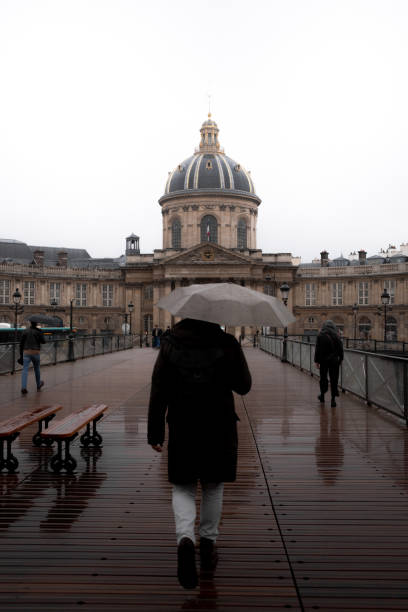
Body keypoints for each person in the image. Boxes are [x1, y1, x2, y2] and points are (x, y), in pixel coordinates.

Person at [148, 318, 252, 589]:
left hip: (182, 422)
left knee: (182, 485)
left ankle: (185, 539)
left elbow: (158, 388)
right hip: (218, 422)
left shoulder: (170, 343)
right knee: (213, 485)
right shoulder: (226, 342)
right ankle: (207, 543)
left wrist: (155, 432)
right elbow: (244, 385)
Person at [314, 320, 344, 407]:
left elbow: (317, 349)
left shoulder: (320, 335)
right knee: (334, 379)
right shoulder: (337, 335)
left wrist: (316, 361)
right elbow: (340, 349)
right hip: (334, 361)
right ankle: (333, 400)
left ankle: (322, 396)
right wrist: (341, 359)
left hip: (323, 361)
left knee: (323, 378)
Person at [20, 321, 45, 394]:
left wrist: (21, 354)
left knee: (25, 370)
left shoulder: (25, 331)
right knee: (37, 369)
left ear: (30, 323)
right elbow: (43, 341)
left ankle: (23, 387)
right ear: (36, 323)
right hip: (35, 352)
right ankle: (38, 384)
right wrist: (40, 335)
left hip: (26, 352)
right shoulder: (39, 331)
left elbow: (21, 344)